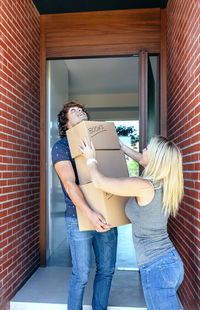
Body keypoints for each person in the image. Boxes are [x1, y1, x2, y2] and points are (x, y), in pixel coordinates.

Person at [80, 135, 184, 310]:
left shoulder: (144, 186)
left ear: (156, 159)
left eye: (147, 148)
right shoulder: (166, 182)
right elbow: (144, 161)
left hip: (156, 267)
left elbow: (100, 182)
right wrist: (123, 147)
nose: (143, 149)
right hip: (168, 263)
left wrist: (90, 158)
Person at [51, 101, 117, 310]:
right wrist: (89, 213)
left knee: (106, 270)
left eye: (82, 109)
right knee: (81, 274)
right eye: (74, 111)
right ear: (66, 123)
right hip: (78, 217)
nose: (80, 111)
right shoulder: (61, 147)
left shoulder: (100, 142)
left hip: (107, 214)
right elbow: (69, 184)